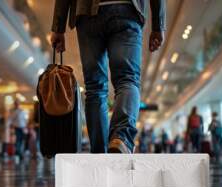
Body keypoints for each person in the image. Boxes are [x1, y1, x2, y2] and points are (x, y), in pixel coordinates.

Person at [51, 0, 166, 153]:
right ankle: (121, 137)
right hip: (126, 9)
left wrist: (58, 28)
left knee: (95, 87)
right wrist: (158, 25)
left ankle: (99, 152)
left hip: (87, 13)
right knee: (127, 79)